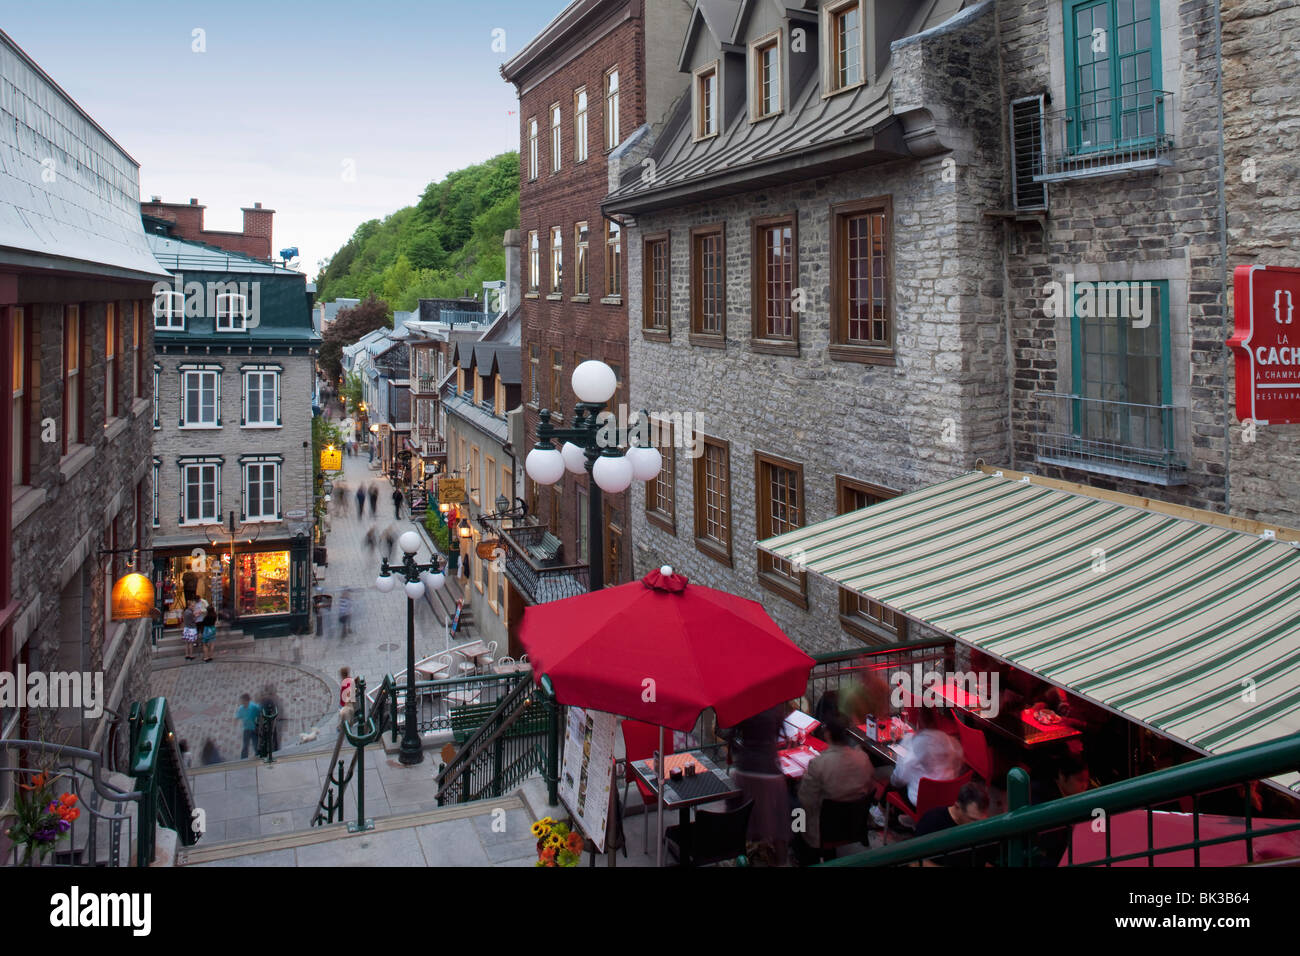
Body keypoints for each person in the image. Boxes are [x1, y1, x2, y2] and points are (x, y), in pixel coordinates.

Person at [796, 716, 875, 858]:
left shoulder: (819, 764)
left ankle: (803, 854)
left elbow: (805, 800)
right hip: (854, 824)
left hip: (825, 829)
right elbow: (869, 788)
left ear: (828, 734)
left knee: (796, 812)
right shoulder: (863, 759)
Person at [1030, 753, 1090, 867]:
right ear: (1062, 776)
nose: (1084, 786)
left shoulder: (1082, 794)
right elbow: (1046, 839)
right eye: (1080, 780)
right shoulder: (1041, 795)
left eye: (1087, 780)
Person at [913, 782, 992, 866]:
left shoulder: (982, 828)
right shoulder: (931, 822)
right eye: (972, 819)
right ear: (957, 806)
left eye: (982, 820)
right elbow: (914, 861)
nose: (978, 825)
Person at [890, 724, 965, 808]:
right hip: (947, 800)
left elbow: (897, 780)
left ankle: (881, 812)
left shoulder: (914, 752)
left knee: (892, 783)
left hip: (920, 803)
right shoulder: (950, 744)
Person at [235, 693, 261, 759]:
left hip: (254, 729)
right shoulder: (241, 709)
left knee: (255, 744)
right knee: (245, 745)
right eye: (241, 701)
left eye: (243, 701)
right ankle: (243, 758)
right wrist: (235, 721)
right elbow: (237, 716)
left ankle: (258, 755)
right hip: (246, 729)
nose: (241, 702)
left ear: (247, 701)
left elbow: (260, 712)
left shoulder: (254, 706)